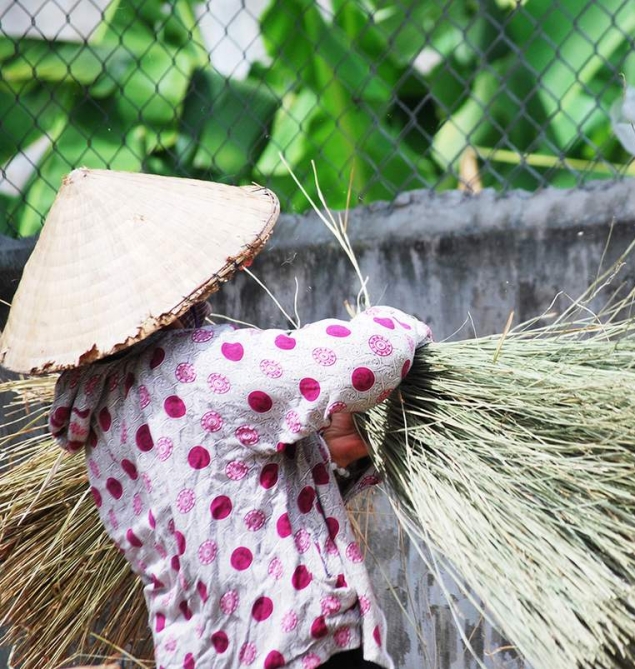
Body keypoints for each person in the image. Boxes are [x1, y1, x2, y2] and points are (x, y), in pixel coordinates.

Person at [0, 169, 430, 669]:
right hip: (294, 647)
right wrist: (401, 324)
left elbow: (224, 483)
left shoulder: (100, 415)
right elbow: (364, 360)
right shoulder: (209, 369)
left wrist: (324, 456)